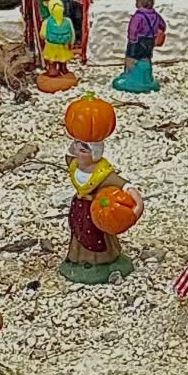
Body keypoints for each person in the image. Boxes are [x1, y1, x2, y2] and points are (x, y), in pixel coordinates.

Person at [62, 117, 140, 284]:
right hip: (79, 208)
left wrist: (137, 202)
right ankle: (77, 258)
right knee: (78, 232)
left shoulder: (103, 174)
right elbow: (68, 157)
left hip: (96, 210)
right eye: (77, 149)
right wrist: (79, 133)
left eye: (83, 151)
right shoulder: (75, 166)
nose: (78, 153)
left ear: (94, 154)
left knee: (96, 235)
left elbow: (124, 185)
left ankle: (101, 260)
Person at [113, 0, 167, 94]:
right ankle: (146, 76)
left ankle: (130, 75)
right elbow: (162, 25)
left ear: (140, 3)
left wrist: (132, 40)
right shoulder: (156, 15)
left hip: (138, 41)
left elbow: (133, 29)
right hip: (150, 40)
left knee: (131, 58)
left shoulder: (138, 16)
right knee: (146, 57)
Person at [37, 0, 77, 93]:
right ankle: (63, 68)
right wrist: (71, 42)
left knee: (52, 60)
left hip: (51, 46)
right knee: (63, 59)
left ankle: (53, 70)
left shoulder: (46, 22)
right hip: (64, 46)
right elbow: (72, 34)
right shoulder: (67, 21)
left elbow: (42, 34)